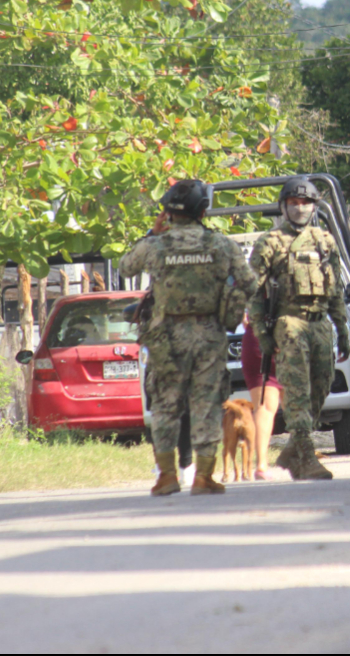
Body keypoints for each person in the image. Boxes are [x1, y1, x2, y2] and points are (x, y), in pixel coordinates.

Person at [119, 179, 256, 497]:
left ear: (168, 212)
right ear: (203, 211)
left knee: (166, 405)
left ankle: (167, 476)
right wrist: (229, 300)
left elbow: (126, 267)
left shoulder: (156, 245)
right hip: (209, 335)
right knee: (207, 406)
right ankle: (203, 478)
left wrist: (153, 233)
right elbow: (248, 282)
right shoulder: (221, 244)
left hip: (166, 337)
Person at [248, 177, 350, 481]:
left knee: (322, 385)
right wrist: (262, 334)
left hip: (320, 323)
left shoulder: (325, 241)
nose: (300, 208)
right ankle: (305, 456)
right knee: (297, 390)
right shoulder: (270, 242)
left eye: (306, 203)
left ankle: (294, 449)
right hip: (288, 323)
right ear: (283, 206)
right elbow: (254, 292)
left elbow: (336, 288)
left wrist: (342, 327)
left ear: (314, 206)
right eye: (293, 203)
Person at [239, 317, 280, 480]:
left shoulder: (249, 290)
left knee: (264, 407)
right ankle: (303, 458)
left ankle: (261, 464)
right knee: (296, 403)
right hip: (290, 336)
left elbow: (238, 307)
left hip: (257, 337)